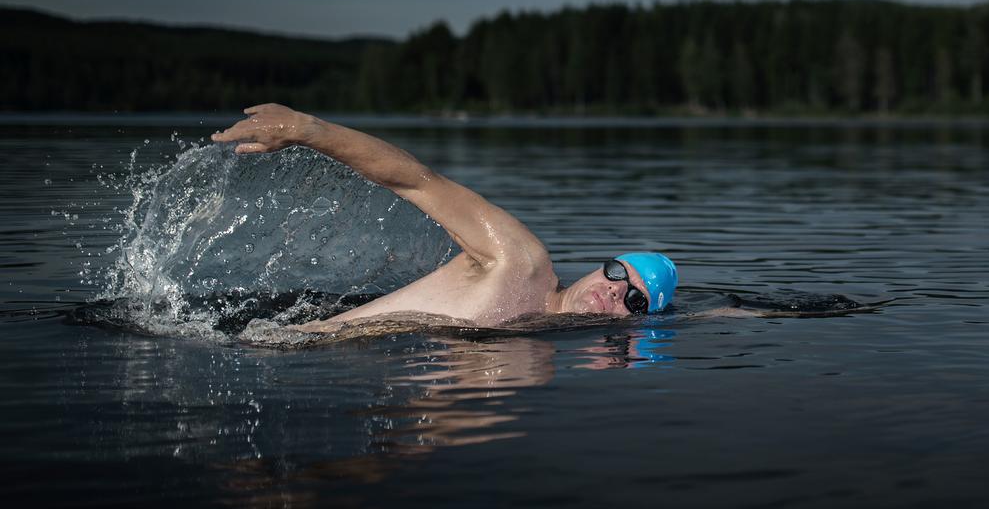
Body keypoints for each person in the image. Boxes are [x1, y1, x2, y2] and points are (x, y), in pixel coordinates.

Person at [212, 104, 679, 332]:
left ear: (637, 325)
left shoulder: (536, 361)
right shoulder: (522, 261)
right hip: (275, 347)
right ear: (602, 266)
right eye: (618, 272)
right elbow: (418, 181)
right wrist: (308, 129)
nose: (615, 289)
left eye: (635, 301)